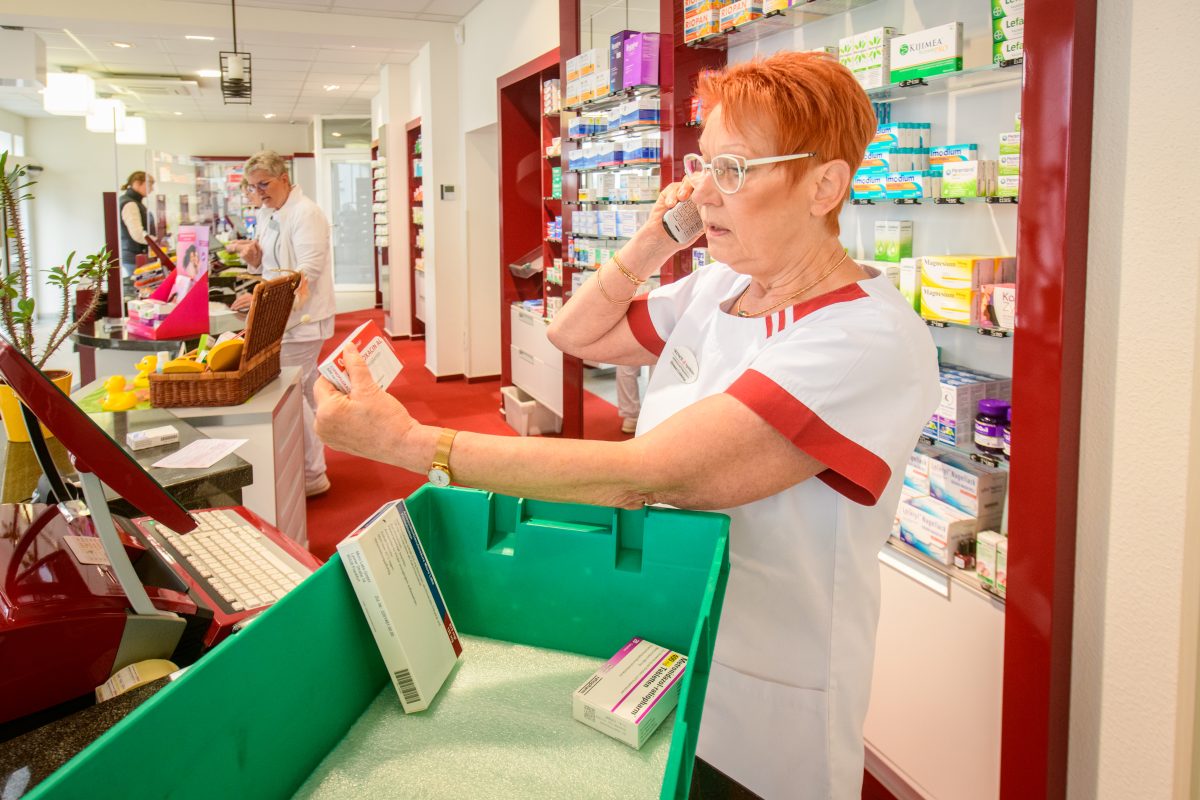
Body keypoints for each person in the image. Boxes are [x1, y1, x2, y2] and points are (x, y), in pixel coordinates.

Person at [313, 52, 938, 798]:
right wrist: (658, 238)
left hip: (773, 673)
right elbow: (575, 334)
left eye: (733, 170)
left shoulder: (863, 339)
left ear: (824, 185)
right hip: (671, 621)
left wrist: (411, 445)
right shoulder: (722, 286)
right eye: (702, 165)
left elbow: (647, 473)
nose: (706, 190)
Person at [232, 150, 336, 506]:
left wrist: (262, 299)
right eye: (252, 187)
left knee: (295, 393)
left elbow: (308, 271)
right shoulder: (269, 212)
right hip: (282, 316)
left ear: (284, 180)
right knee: (305, 391)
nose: (258, 192)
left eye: (264, 184)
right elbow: (270, 261)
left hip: (302, 320)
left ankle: (312, 473)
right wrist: (253, 258)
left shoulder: (307, 213)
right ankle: (314, 466)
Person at [117, 171, 151, 277]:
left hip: (132, 255)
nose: (152, 189)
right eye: (149, 184)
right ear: (137, 183)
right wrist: (156, 242)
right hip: (133, 257)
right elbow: (137, 234)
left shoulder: (132, 202)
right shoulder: (130, 204)